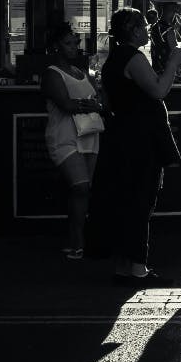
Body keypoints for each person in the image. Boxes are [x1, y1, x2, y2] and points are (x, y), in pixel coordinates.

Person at [98, 7, 181, 286]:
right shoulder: (133, 58)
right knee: (142, 199)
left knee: (126, 199)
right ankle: (137, 267)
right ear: (133, 30)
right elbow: (158, 90)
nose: (148, 30)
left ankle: (123, 266)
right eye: (145, 26)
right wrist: (173, 60)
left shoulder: (113, 59)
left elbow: (109, 102)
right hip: (141, 139)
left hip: (122, 135)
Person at [42, 20, 104, 258]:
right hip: (65, 135)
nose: (74, 47)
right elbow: (65, 104)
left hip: (88, 134)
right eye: (68, 43)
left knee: (85, 189)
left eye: (76, 42)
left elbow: (99, 100)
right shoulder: (52, 74)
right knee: (80, 186)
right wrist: (90, 105)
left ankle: (79, 238)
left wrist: (91, 104)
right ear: (56, 46)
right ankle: (77, 238)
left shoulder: (81, 72)